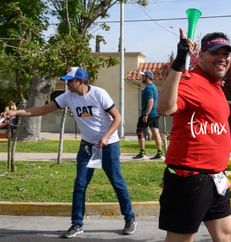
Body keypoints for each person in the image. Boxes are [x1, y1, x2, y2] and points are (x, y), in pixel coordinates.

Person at [1, 67, 137, 238]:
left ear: (81, 81)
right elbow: (42, 109)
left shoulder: (99, 94)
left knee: (116, 181)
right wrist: (16, 112)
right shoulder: (68, 96)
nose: (67, 84)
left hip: (108, 144)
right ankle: (77, 223)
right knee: (80, 184)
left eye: (70, 81)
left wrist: (106, 136)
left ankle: (129, 218)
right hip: (87, 146)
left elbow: (117, 117)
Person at [156, 28, 231, 242]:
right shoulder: (191, 81)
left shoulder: (215, 86)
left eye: (226, 54)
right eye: (215, 53)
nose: (222, 59)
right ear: (201, 56)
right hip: (189, 178)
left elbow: (208, 123)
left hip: (216, 178)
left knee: (227, 237)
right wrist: (179, 63)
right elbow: (164, 108)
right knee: (180, 239)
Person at [133, 70, 163, 160]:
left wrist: (146, 114)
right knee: (156, 132)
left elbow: (150, 101)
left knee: (139, 131)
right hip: (155, 113)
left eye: (144, 76)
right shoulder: (154, 87)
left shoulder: (148, 88)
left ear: (148, 77)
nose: (142, 77)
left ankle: (142, 152)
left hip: (148, 114)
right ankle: (159, 152)